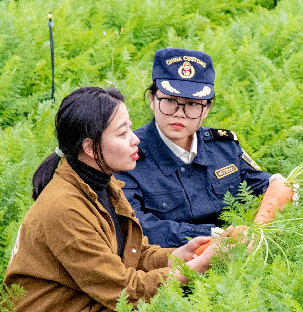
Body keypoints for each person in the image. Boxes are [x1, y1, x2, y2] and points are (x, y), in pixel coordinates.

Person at [2, 86, 216, 312]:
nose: (135, 139)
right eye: (122, 133)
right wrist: (195, 268)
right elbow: (124, 292)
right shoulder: (64, 208)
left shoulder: (102, 183)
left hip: (82, 309)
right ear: (90, 148)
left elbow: (127, 251)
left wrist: (175, 256)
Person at [116, 48, 287, 248]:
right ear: (152, 100)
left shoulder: (224, 147)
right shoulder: (129, 156)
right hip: (174, 266)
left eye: (192, 104)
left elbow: (265, 187)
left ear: (206, 109)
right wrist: (215, 236)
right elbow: (136, 226)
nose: (179, 114)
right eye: (170, 101)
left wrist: (258, 228)